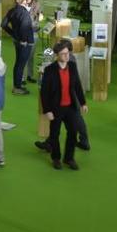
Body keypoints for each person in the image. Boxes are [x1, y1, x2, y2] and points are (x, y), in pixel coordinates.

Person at [40, 40, 88, 170]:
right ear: (57, 55)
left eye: (67, 53)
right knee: (54, 134)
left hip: (70, 107)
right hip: (56, 108)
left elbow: (77, 85)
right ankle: (56, 158)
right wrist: (47, 110)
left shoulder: (72, 66)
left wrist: (83, 102)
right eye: (63, 54)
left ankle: (69, 158)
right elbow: (44, 92)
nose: (66, 56)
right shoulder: (49, 70)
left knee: (72, 133)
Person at [1, 0, 33, 95]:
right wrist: (23, 40)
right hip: (25, 43)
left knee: (18, 63)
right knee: (21, 64)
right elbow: (24, 27)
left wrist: (14, 34)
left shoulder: (11, 11)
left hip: (17, 41)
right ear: (23, 0)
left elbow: (4, 24)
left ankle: (17, 84)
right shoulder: (24, 13)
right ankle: (17, 87)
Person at [23, 0, 41, 85]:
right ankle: (22, 77)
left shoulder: (36, 4)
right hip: (24, 34)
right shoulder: (21, 5)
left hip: (34, 32)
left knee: (31, 56)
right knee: (24, 56)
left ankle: (30, 75)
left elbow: (35, 15)